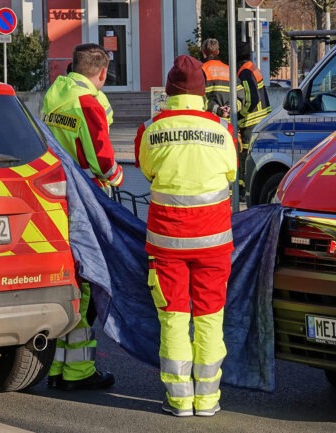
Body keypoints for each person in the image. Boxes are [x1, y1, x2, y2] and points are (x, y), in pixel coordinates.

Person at [134, 55, 237, 417]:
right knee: (210, 317)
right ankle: (208, 400)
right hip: (213, 240)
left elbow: (147, 171)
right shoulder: (221, 128)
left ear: (169, 92)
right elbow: (231, 172)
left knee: (174, 317)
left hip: (167, 242)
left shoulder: (151, 128)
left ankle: (179, 400)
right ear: (202, 92)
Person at [41, 43, 121, 391]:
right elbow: (101, 159)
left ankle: (59, 368)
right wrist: (117, 177)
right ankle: (78, 372)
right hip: (86, 197)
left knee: (70, 275)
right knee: (88, 281)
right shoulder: (88, 102)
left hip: (57, 194)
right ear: (102, 73)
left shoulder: (54, 94)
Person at [236, 42, 272, 190]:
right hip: (262, 117)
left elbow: (252, 98)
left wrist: (240, 115)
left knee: (245, 153)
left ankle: (244, 189)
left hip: (251, 120)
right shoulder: (252, 67)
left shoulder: (244, 71)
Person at [200, 38, 241, 119]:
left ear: (203, 52)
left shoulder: (201, 69)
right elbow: (240, 97)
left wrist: (217, 110)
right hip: (228, 124)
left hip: (210, 122)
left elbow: (199, 98)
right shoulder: (229, 70)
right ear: (218, 52)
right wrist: (229, 108)